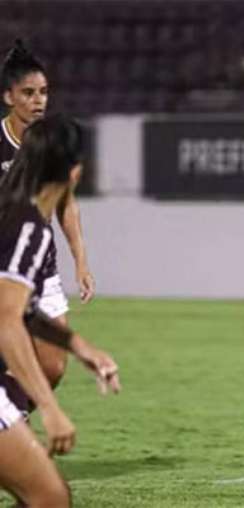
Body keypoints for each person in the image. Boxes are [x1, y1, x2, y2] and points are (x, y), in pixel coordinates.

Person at [0, 114, 120, 507]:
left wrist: (80, 347)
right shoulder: (27, 228)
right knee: (49, 497)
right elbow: (7, 322)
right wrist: (50, 410)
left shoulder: (14, 213)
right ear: (75, 172)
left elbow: (19, 310)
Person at [1, 40, 96, 410]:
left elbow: (66, 205)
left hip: (42, 270)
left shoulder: (51, 144)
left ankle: (11, 425)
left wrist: (81, 261)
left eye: (43, 92)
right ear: (8, 96)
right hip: (4, 273)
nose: (38, 100)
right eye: (28, 93)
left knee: (53, 367)